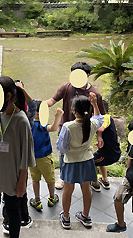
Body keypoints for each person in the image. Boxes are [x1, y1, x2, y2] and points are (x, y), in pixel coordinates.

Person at [0, 76, 35, 238]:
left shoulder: (21, 121)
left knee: (12, 211)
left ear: (8, 96)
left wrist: (22, 182)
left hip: (12, 176)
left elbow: (25, 154)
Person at [46, 61, 106, 190]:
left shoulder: (94, 94)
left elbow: (100, 116)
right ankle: (63, 177)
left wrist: (99, 136)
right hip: (65, 128)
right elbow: (51, 101)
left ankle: (87, 178)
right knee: (63, 154)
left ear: (88, 75)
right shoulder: (66, 87)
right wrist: (38, 106)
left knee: (84, 153)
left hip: (84, 130)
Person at [56, 93, 104, 230]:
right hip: (87, 160)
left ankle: (66, 218)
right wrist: (95, 104)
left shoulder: (68, 126)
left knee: (68, 189)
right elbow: (99, 118)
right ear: (88, 110)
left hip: (71, 161)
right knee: (86, 189)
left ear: (74, 111)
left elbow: (62, 147)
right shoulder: (93, 124)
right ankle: (86, 216)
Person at [29, 101, 63, 212]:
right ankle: (52, 198)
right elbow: (53, 128)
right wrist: (58, 117)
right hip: (45, 157)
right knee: (50, 179)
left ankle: (37, 200)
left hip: (32, 158)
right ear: (38, 113)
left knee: (35, 179)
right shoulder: (41, 125)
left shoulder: (28, 124)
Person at [90, 101, 121, 192]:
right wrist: (99, 136)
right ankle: (105, 181)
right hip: (112, 152)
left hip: (109, 154)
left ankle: (95, 183)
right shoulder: (108, 117)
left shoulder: (105, 117)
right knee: (99, 159)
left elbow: (101, 128)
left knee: (91, 161)